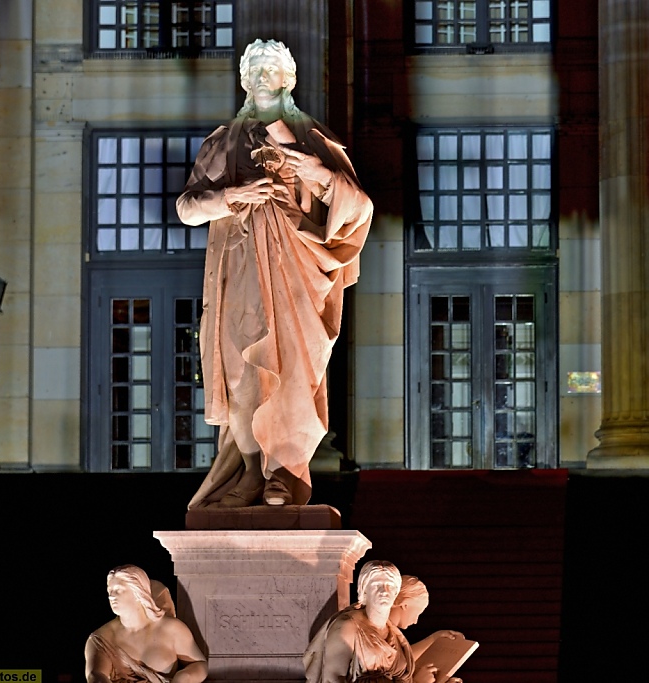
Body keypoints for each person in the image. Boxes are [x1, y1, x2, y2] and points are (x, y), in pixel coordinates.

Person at [177, 38, 373, 509]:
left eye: (273, 68)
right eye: (256, 68)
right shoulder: (221, 143)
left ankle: (283, 471)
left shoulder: (315, 141)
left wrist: (320, 175)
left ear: (289, 79)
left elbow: (360, 208)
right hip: (240, 270)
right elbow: (186, 208)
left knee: (289, 374)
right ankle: (249, 471)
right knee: (244, 373)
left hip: (297, 274)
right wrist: (230, 197)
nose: (264, 75)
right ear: (244, 80)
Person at [303, 561, 436, 683]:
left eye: (389, 586)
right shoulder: (347, 627)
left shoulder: (395, 636)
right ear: (364, 590)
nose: (384, 591)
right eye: (376, 585)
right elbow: (331, 680)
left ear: (396, 592)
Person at [85, 565, 208, 683]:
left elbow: (198, 664)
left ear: (138, 592)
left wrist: (184, 677)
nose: (111, 596)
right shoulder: (102, 639)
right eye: (109, 591)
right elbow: (96, 674)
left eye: (118, 590)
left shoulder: (172, 629)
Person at [389, 576, 464, 683]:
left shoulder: (392, 633)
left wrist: (434, 639)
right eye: (417, 613)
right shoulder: (377, 632)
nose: (415, 621)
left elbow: (400, 660)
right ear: (405, 604)